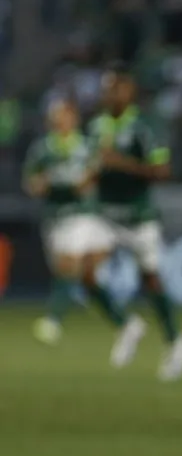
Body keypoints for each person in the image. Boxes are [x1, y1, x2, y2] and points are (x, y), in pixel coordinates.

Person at [84, 63, 182, 381]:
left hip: (138, 215)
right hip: (104, 214)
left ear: (129, 93)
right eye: (107, 89)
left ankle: (175, 340)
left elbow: (162, 172)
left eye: (117, 89)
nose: (110, 95)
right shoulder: (94, 127)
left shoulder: (145, 127)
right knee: (85, 271)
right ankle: (126, 325)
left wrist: (122, 164)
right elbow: (91, 164)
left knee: (151, 281)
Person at [24, 99, 107, 344]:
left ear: (73, 118)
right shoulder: (42, 149)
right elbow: (31, 184)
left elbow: (93, 177)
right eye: (55, 116)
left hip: (80, 213)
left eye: (64, 115)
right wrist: (44, 185)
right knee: (63, 269)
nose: (59, 121)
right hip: (53, 216)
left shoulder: (85, 146)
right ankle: (94, 300)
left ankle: (53, 320)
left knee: (68, 264)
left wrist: (75, 184)